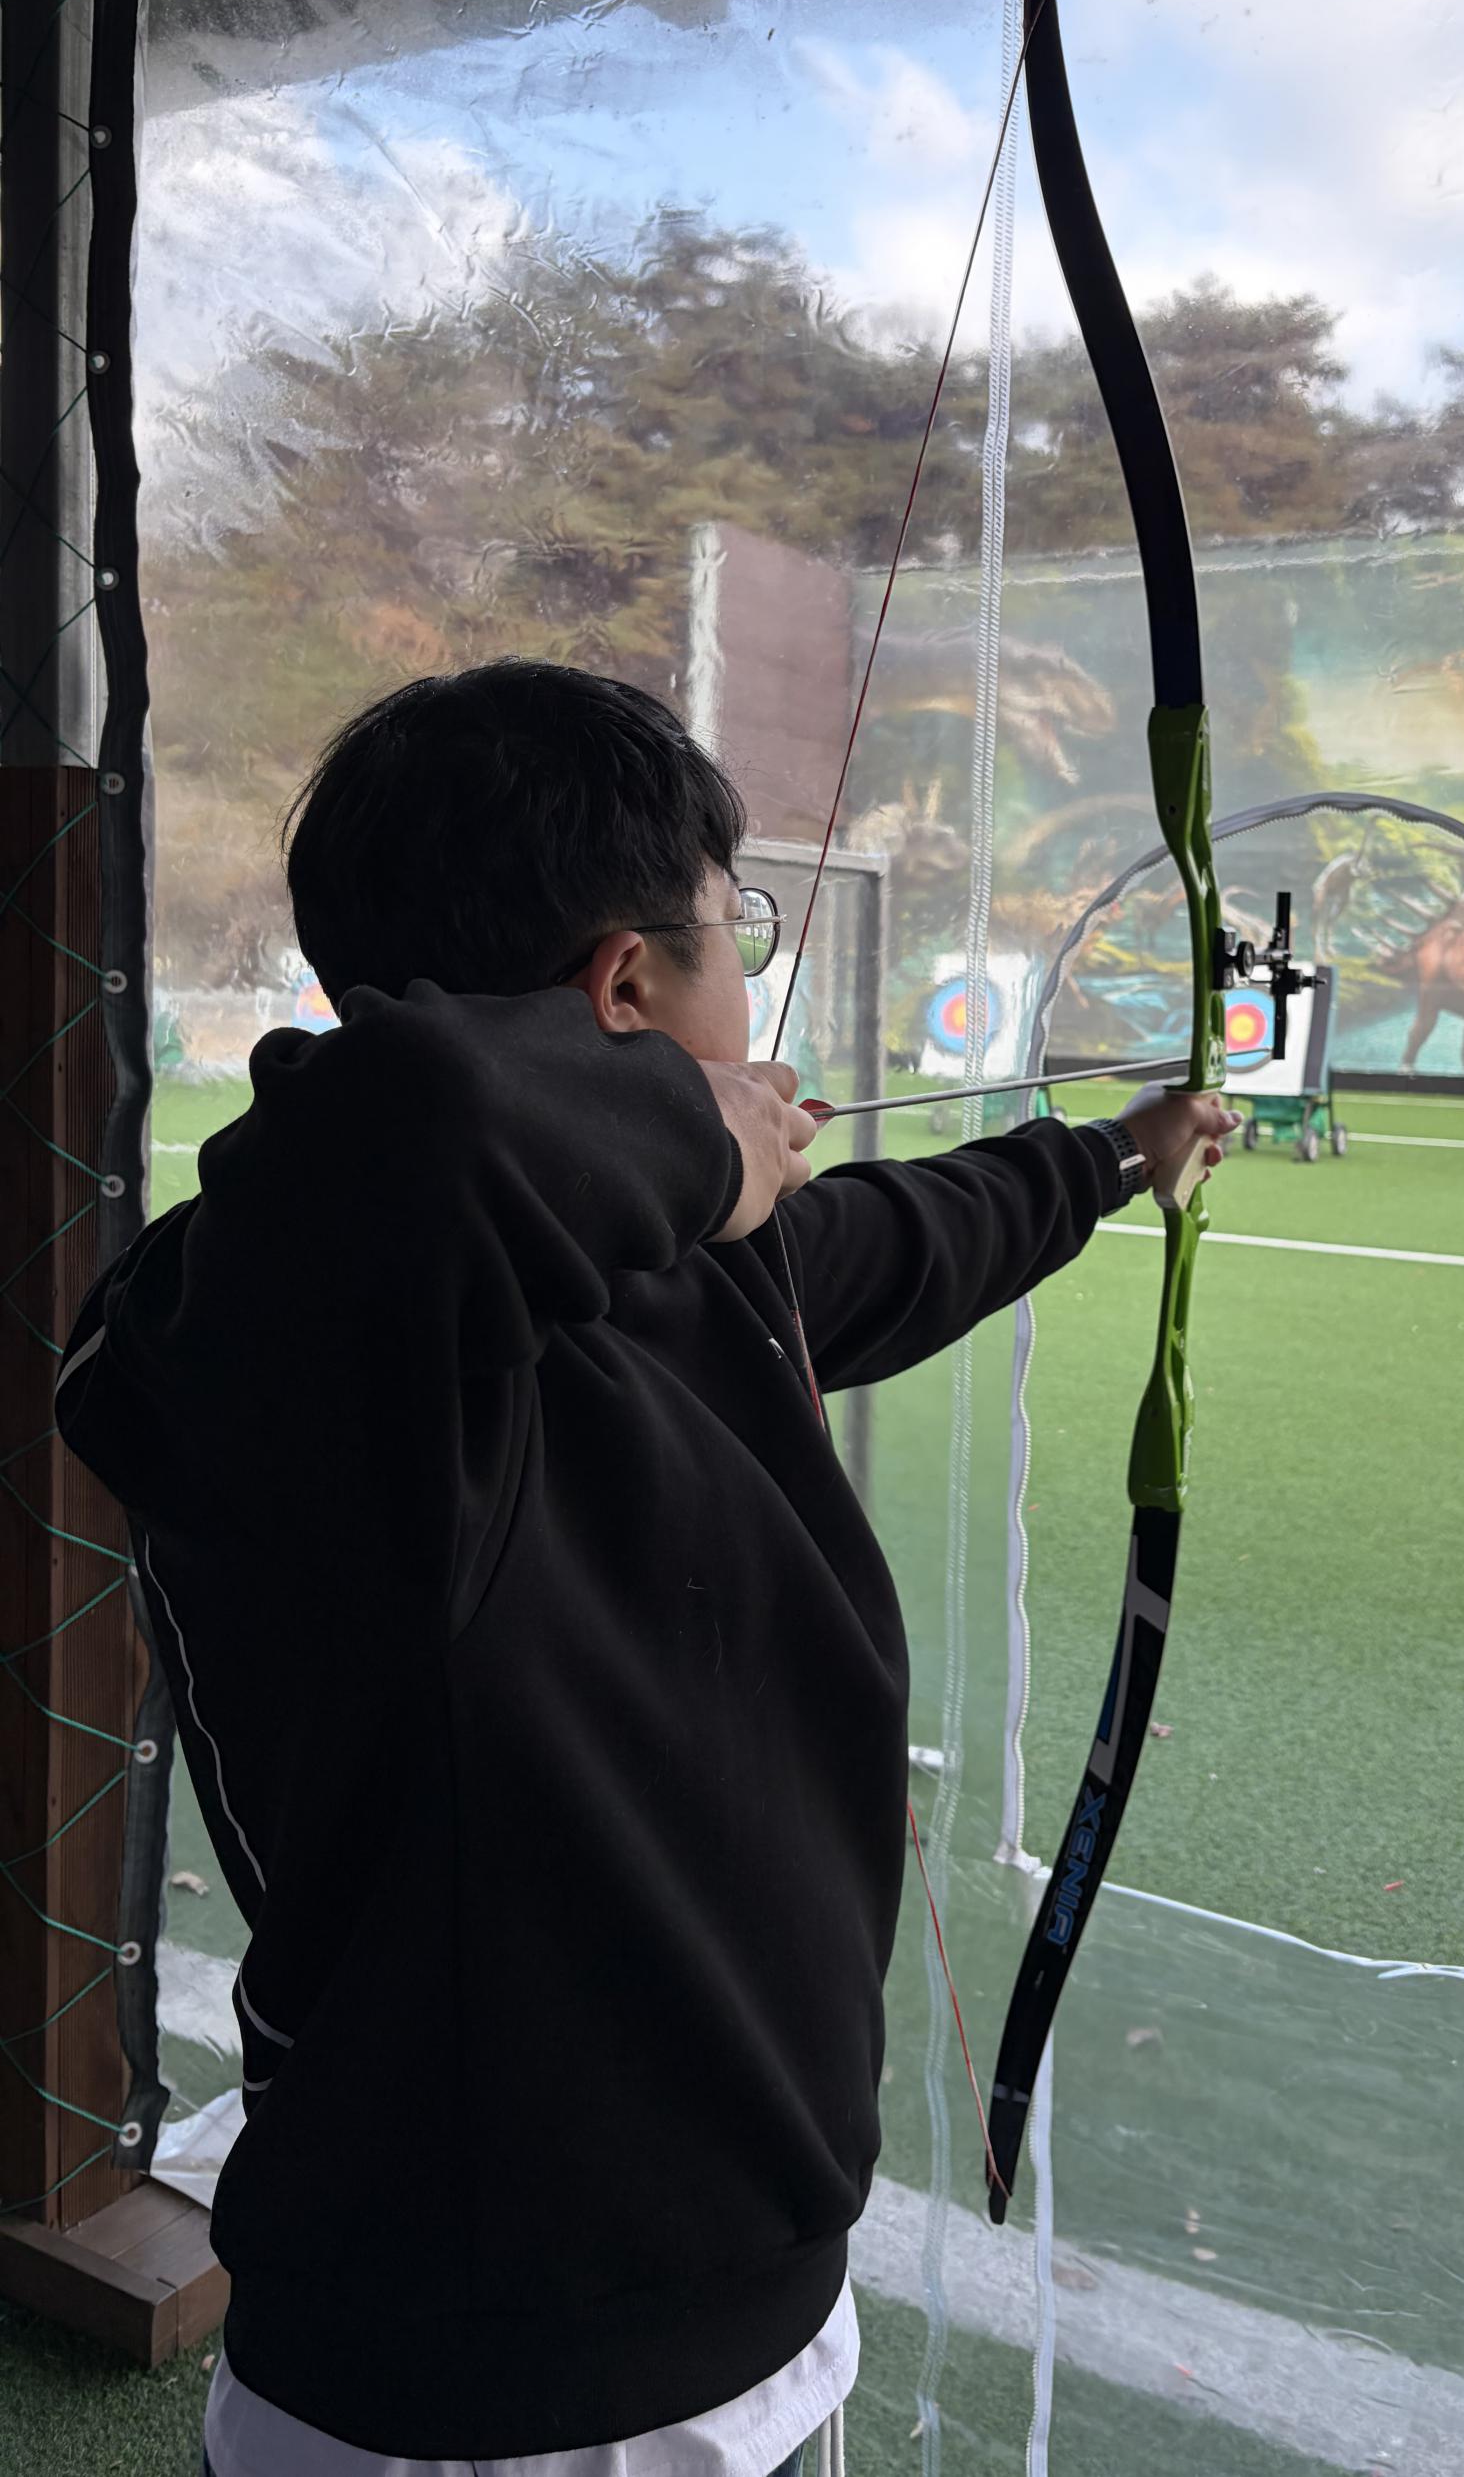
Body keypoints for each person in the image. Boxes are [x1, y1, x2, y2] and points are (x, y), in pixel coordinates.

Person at [54, 662, 1235, 2477]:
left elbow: (899, 1237)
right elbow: (407, 1130)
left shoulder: (682, 1268)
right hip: (490, 2387)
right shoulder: (296, 1322)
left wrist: (1110, 1159)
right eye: (729, 936)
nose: (752, 989)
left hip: (748, 2311)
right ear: (622, 990)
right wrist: (697, 1136)